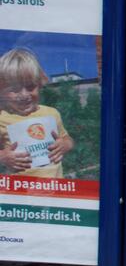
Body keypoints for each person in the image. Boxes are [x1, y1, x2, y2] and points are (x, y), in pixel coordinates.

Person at [0, 49, 74, 178]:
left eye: (30, 87)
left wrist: (64, 145)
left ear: (39, 85)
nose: (24, 95)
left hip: (55, 189)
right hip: (20, 191)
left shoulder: (51, 113)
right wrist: (3, 157)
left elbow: (67, 139)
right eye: (14, 89)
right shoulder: (2, 117)